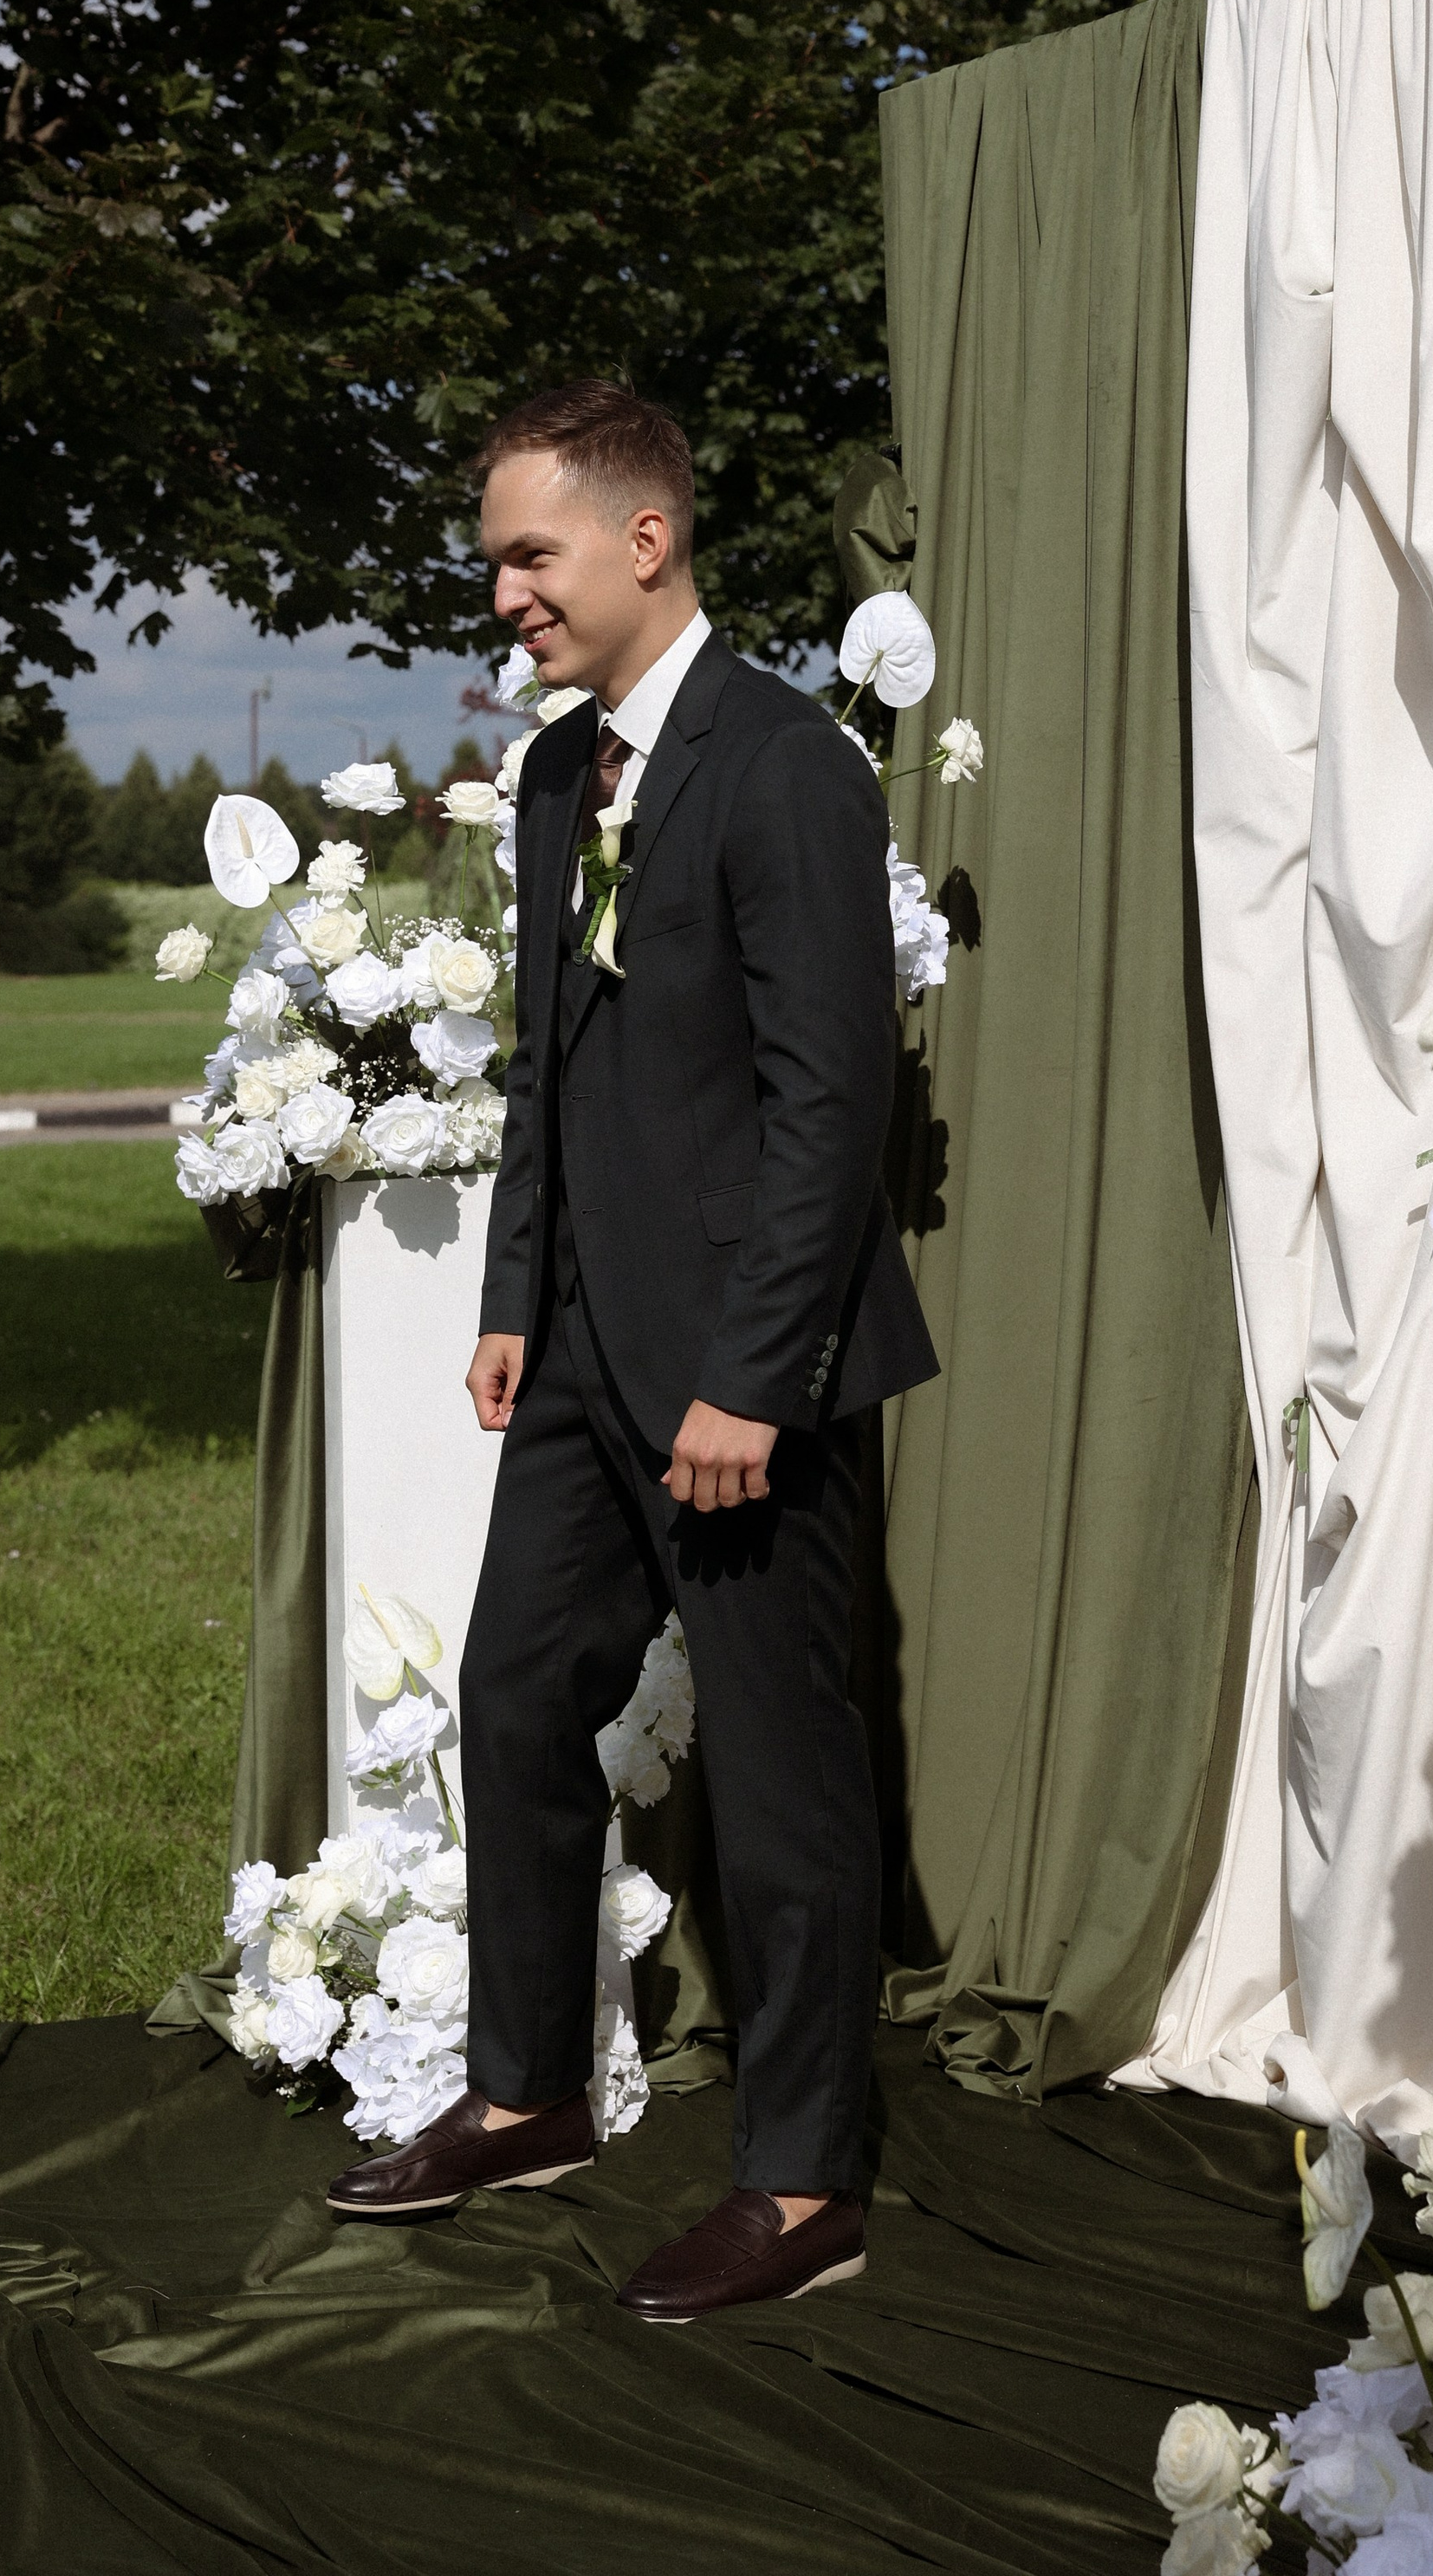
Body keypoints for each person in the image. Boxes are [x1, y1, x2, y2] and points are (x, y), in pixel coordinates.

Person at [325, 380, 937, 2319]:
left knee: (779, 1767)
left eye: (530, 554)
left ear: (643, 540)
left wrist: (753, 1378)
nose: (503, 592)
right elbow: (546, 1062)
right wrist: (513, 1293)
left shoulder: (787, 765)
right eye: (494, 560)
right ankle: (527, 2098)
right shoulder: (548, 778)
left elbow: (832, 1105)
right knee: (516, 1697)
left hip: (743, 1368)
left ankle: (804, 2184)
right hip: (582, 1348)